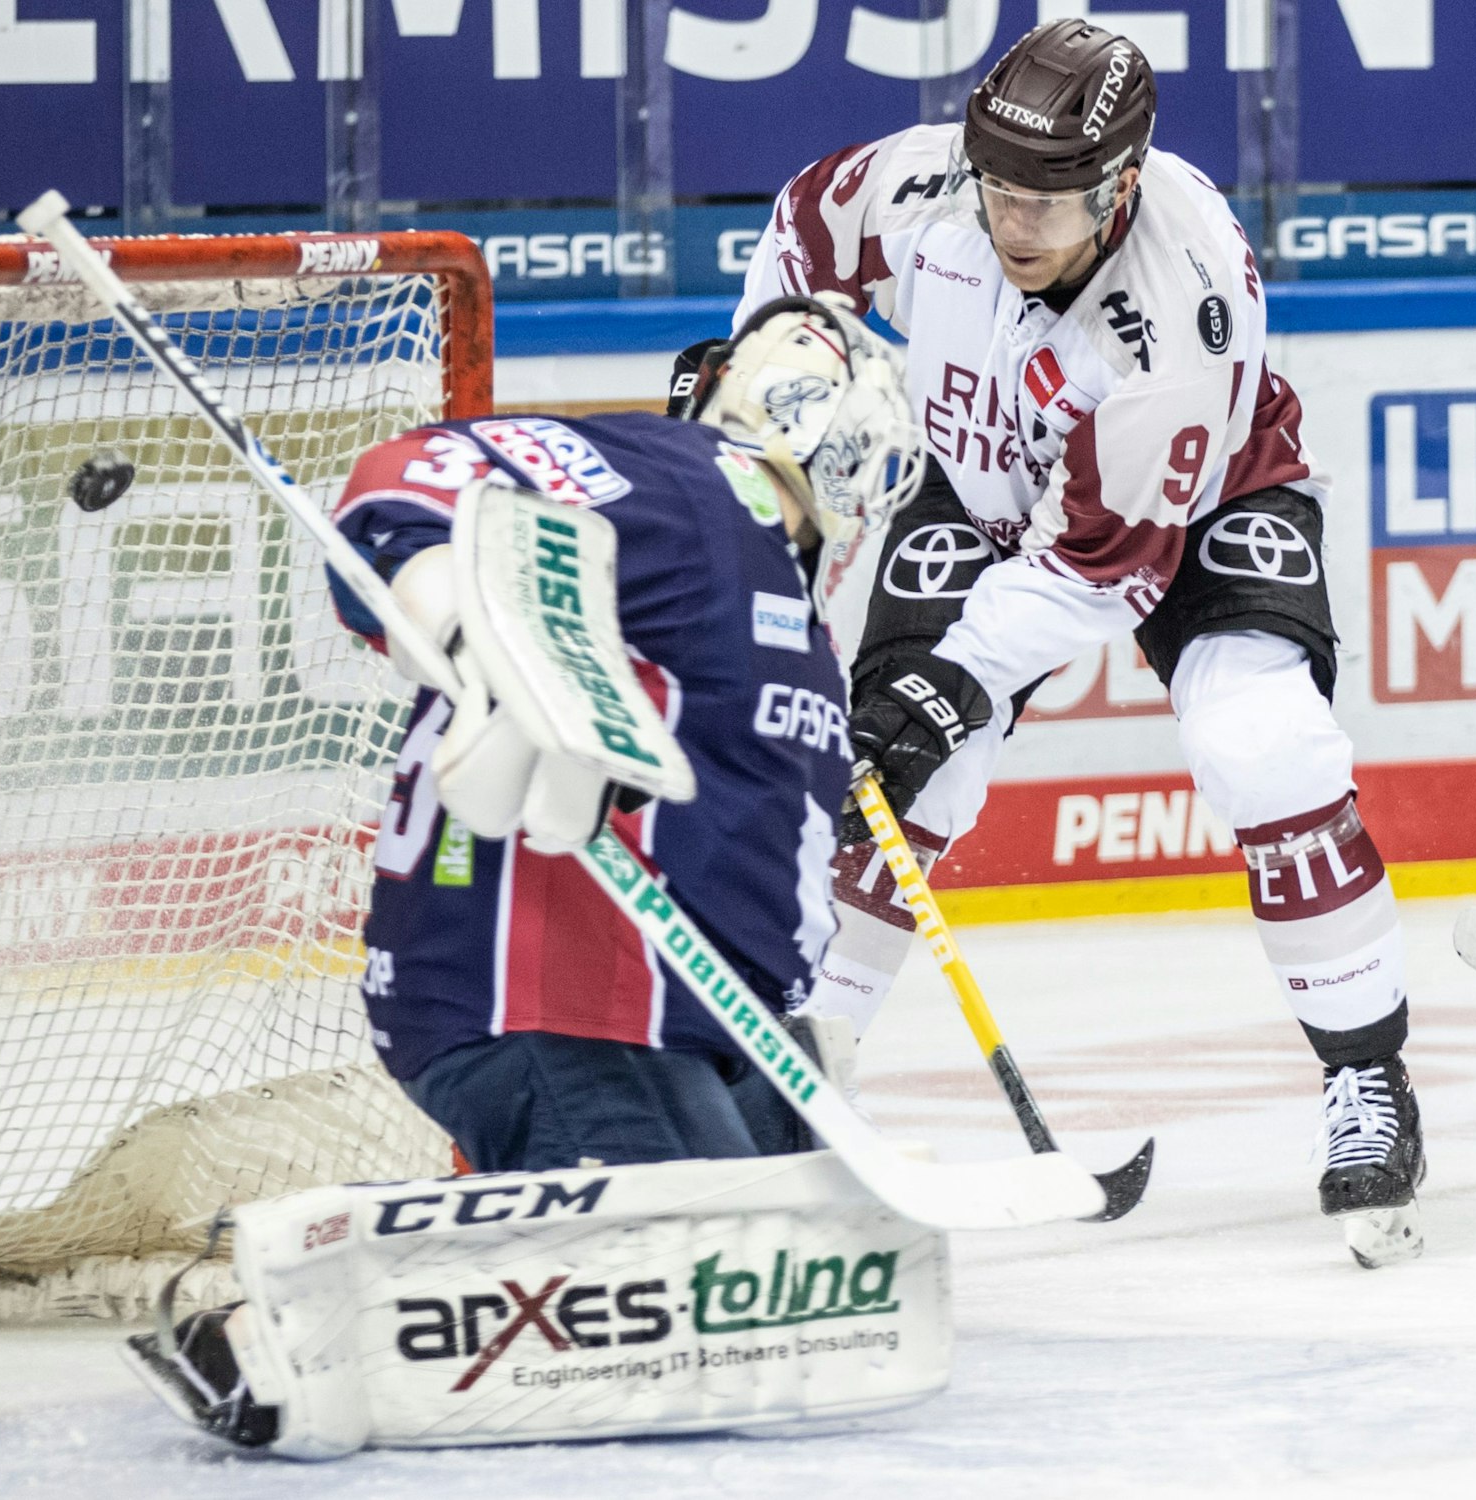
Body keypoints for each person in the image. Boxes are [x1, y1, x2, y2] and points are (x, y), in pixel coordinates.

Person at [122, 296, 929, 1447]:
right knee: (703, 1304)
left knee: (815, 1284)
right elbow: (407, 479)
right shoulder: (693, 482)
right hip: (562, 1007)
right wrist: (459, 623)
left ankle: (486, 1230)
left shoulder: (770, 584)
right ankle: (294, 1318)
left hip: (693, 1026)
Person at [719, 18, 1422, 1267]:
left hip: (1197, 503)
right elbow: (801, 232)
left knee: (1260, 739)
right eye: (997, 186)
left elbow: (1105, 564)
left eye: (1046, 198)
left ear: (1119, 183)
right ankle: (791, 1084)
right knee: (892, 769)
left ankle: (1367, 1078)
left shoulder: (1176, 305)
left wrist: (953, 679)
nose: (1013, 220)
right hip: (979, 479)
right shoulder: (926, 183)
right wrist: (757, 365)